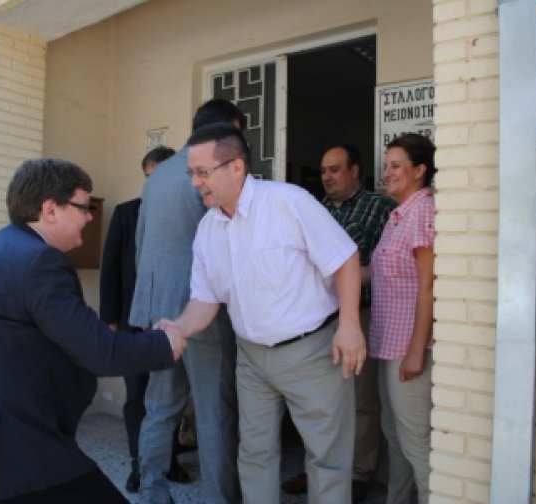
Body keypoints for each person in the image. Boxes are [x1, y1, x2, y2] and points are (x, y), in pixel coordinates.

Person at [0, 158, 187, 504]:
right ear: (50, 209)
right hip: (4, 456)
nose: (90, 217)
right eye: (84, 207)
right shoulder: (40, 261)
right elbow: (100, 353)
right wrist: (164, 342)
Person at [159, 123, 367, 503]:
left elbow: (345, 258)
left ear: (236, 167)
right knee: (254, 455)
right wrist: (179, 327)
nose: (194, 182)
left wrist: (351, 326)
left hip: (313, 354)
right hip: (251, 360)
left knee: (327, 459)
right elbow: (205, 299)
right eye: (192, 173)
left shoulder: (288, 202)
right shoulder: (208, 229)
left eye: (202, 172)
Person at [130, 99, 245, 504]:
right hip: (203, 311)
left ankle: (151, 492)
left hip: (158, 310)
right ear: (227, 128)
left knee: (160, 407)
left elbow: (141, 244)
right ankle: (220, 498)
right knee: (214, 412)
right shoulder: (212, 172)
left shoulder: (158, 176)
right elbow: (230, 244)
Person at [282, 144, 397, 500]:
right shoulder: (315, 210)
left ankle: (359, 472)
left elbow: (388, 262)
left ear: (354, 171)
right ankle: (316, 468)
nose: (326, 177)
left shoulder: (379, 207)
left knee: (361, 399)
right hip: (318, 319)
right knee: (319, 400)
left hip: (360, 315)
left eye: (334, 169)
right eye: (323, 171)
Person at [99, 145, 190, 493]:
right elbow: (110, 268)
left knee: (171, 396)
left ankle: (170, 460)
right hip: (133, 322)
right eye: (150, 177)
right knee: (137, 395)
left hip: (176, 321)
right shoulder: (126, 213)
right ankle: (140, 463)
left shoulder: (188, 208)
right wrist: (110, 319)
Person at [371, 133, 436, 504]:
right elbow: (378, 273)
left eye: (396, 166)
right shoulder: (397, 215)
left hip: (409, 349)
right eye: (386, 165)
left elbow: (429, 284)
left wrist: (416, 351)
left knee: (416, 445)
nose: (387, 172)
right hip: (389, 344)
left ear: (419, 170)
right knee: (394, 437)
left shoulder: (423, 210)